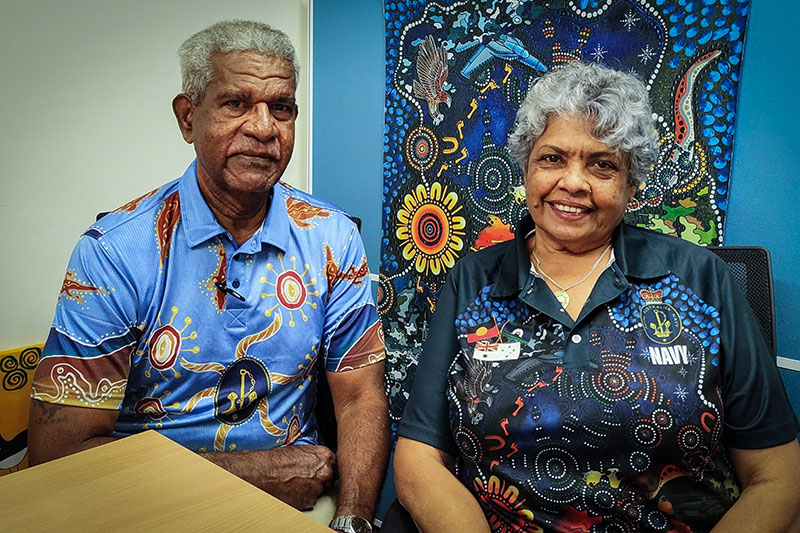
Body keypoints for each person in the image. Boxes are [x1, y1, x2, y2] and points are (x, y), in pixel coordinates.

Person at [393, 62, 800, 532]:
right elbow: (419, 459)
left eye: (602, 164)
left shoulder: (701, 279)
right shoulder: (473, 280)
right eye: (552, 158)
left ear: (631, 184)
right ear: (526, 168)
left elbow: (777, 478)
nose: (573, 182)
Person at [27, 20, 388, 532]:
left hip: (295, 507)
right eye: (236, 103)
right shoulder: (116, 251)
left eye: (280, 107)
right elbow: (59, 455)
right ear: (186, 117)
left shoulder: (332, 238)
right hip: (144, 508)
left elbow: (360, 397)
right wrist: (251, 475)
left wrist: (353, 520)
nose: (264, 128)